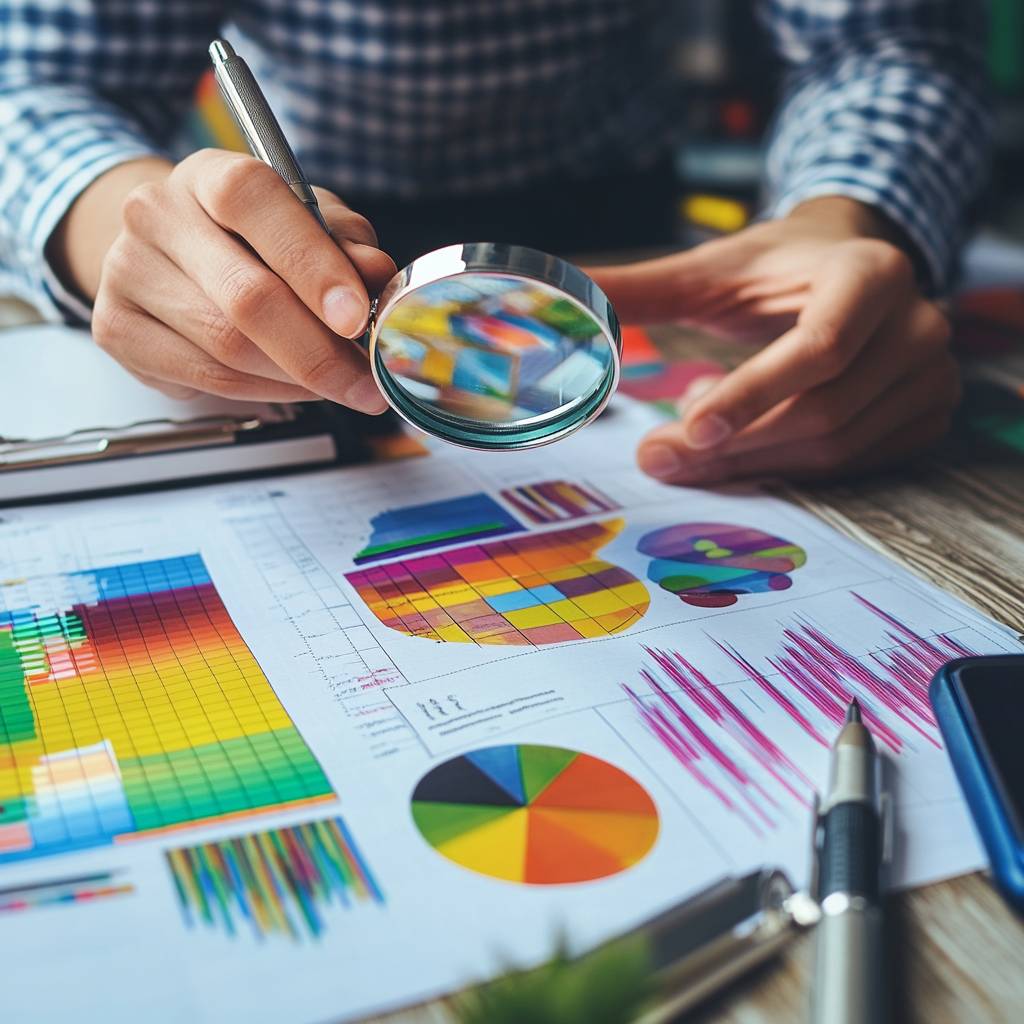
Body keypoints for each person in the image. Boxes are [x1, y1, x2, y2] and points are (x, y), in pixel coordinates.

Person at [0, 2, 990, 484]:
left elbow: (881, 41)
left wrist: (847, 217)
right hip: (307, 246)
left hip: (642, 238)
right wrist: (112, 216)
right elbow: (39, 81)